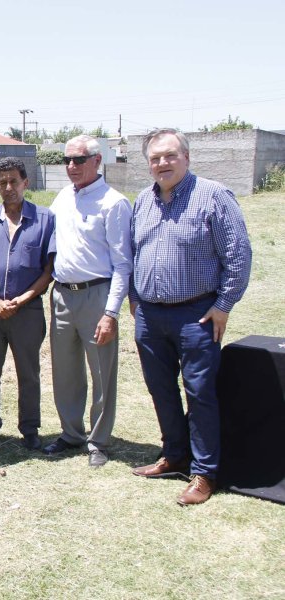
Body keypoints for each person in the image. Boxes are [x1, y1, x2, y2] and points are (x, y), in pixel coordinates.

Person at [129, 128, 252, 506]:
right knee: (161, 389)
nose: (162, 163)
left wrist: (223, 305)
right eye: (155, 158)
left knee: (199, 393)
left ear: (186, 157)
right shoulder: (143, 201)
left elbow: (239, 254)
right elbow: (134, 253)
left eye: (169, 156)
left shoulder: (213, 196)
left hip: (197, 315)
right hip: (150, 316)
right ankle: (175, 455)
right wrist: (135, 299)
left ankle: (203, 473)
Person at [45, 135, 132, 467]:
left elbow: (123, 264)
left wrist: (111, 312)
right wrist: (2, 209)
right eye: (67, 160)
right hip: (63, 295)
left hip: (97, 294)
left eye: (78, 160)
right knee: (65, 371)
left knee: (101, 371)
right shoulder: (63, 197)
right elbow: (42, 224)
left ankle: (99, 440)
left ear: (98, 161)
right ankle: (71, 434)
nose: (71, 167)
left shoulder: (114, 203)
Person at [0, 158, 55, 451]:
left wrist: (21, 300)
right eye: (2, 182)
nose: (8, 187)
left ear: (25, 183)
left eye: (14, 181)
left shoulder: (46, 219)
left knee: (29, 371)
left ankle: (30, 429)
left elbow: (48, 270)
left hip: (28, 310)